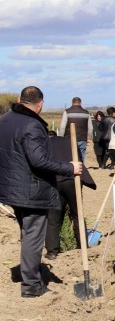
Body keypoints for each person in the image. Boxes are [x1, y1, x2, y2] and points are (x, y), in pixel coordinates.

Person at [0, 86, 85, 298]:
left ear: (20, 99)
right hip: (31, 190)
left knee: (27, 233)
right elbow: (38, 160)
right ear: (40, 104)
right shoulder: (32, 125)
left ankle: (30, 273)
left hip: (11, 188)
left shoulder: (5, 119)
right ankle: (31, 285)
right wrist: (70, 167)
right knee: (33, 236)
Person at [45, 128, 97, 257]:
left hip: (54, 181)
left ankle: (52, 251)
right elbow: (79, 159)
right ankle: (83, 245)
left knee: (53, 218)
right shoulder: (68, 141)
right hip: (73, 179)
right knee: (77, 214)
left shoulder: (44, 143)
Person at [57, 97, 91, 162]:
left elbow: (62, 127)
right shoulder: (86, 113)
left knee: (69, 156)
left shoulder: (67, 112)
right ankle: (81, 171)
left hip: (68, 139)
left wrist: (60, 138)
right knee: (81, 157)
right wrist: (89, 138)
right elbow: (90, 128)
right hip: (82, 139)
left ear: (72, 103)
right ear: (80, 103)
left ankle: (71, 170)